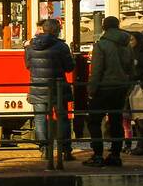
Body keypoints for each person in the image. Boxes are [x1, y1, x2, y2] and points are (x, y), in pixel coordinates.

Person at [83, 16, 134, 167]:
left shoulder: (102, 45)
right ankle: (115, 155)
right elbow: (131, 69)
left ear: (104, 27)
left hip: (104, 88)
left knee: (94, 121)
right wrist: (128, 87)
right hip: (121, 88)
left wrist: (91, 90)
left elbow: (97, 70)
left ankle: (98, 154)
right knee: (116, 122)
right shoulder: (127, 45)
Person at [24, 18, 73, 159]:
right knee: (63, 119)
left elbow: (28, 65)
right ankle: (65, 151)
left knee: (40, 119)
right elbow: (69, 67)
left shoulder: (31, 46)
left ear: (43, 29)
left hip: (38, 87)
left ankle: (44, 149)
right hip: (58, 88)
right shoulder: (62, 46)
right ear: (57, 31)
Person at [125, 31, 143, 156]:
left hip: (140, 87)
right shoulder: (132, 53)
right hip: (134, 87)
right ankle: (140, 145)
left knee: (142, 118)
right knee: (137, 119)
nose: (130, 42)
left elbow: (142, 70)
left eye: (132, 40)